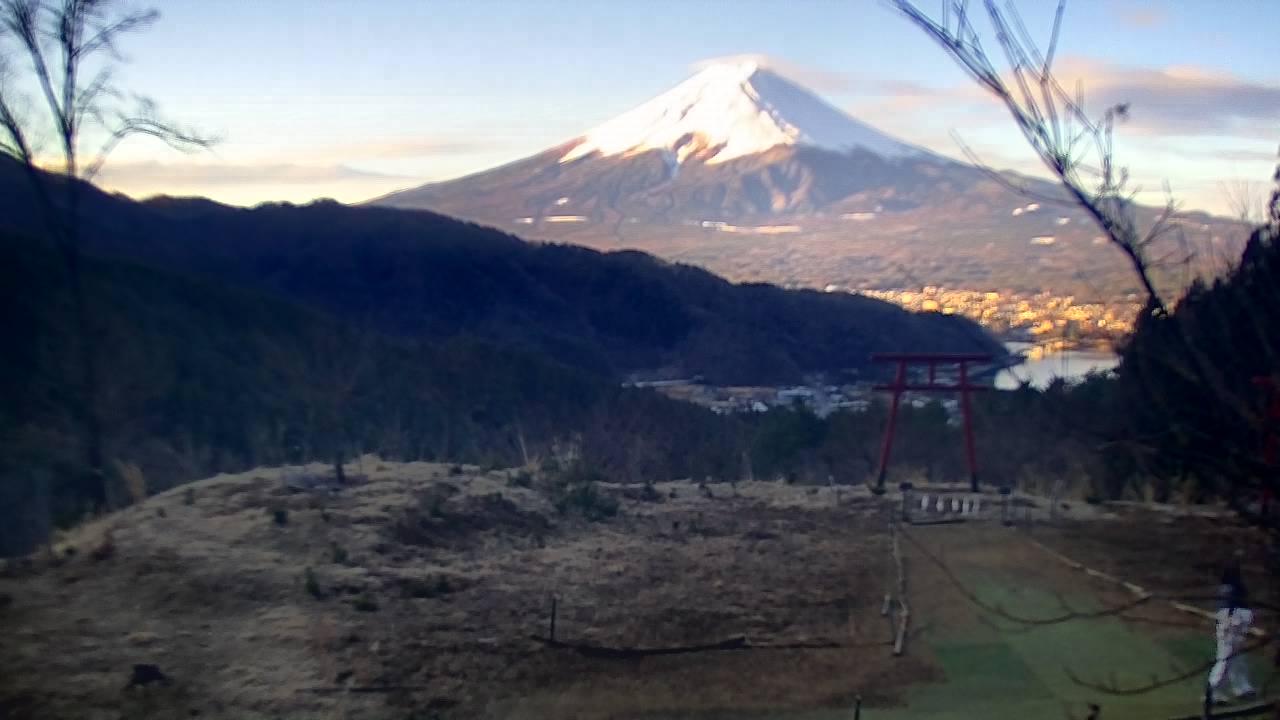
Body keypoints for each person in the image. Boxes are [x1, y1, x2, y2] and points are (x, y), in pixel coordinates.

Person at [1207, 582, 1256, 704]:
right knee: (1224, 662)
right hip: (1228, 636)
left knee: (1238, 661)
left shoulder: (1235, 606)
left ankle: (1242, 688)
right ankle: (1213, 693)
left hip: (1235, 628)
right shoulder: (1225, 608)